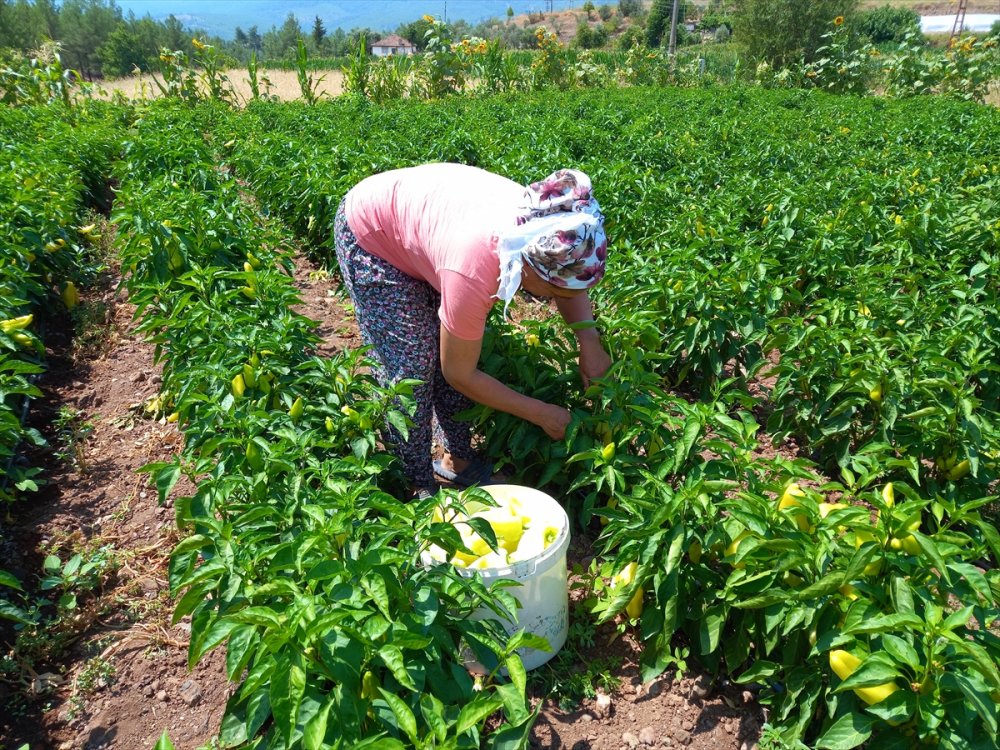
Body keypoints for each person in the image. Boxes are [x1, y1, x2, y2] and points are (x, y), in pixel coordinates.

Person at [333, 163, 612, 498]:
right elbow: (459, 373)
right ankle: (414, 480)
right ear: (529, 265)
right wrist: (541, 413)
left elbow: (570, 280)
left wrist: (589, 340)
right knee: (411, 367)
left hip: (429, 229)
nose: (555, 301)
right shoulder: (475, 268)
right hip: (373, 234)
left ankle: (457, 457)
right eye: (554, 293)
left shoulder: (553, 227)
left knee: (446, 345)